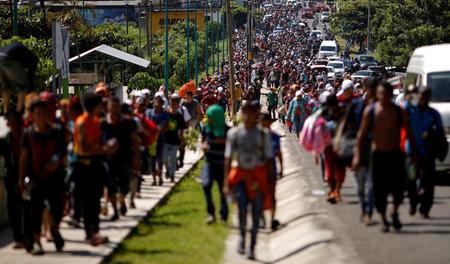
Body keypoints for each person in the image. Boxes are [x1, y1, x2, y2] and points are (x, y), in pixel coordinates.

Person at [353, 82, 417, 232]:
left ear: (390, 95)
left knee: (399, 189)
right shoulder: (370, 111)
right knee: (378, 190)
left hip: (395, 155)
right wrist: (357, 156)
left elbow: (410, 134)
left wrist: (414, 155)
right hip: (377, 156)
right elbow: (361, 136)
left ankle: (394, 211)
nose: (382, 96)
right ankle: (383, 218)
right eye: (380, 93)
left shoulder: (400, 112)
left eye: (385, 94)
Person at [223, 101, 274, 260]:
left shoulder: (263, 134)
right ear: (241, 113)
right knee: (243, 211)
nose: (247, 116)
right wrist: (226, 182)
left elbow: (268, 160)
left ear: (255, 115)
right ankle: (242, 238)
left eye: (250, 112)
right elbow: (228, 159)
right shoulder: (234, 134)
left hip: (258, 176)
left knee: (256, 213)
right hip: (241, 176)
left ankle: (252, 246)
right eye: (244, 112)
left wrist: (271, 183)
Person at [18, 100, 66, 254]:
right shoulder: (28, 134)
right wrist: (21, 179)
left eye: (44, 113)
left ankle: (55, 228)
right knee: (35, 210)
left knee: (57, 208)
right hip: (35, 177)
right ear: (32, 115)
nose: (41, 116)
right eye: (37, 113)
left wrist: (56, 164)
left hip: (54, 177)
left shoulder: (56, 132)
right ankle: (37, 242)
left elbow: (64, 154)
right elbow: (24, 158)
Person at [72, 93, 117, 245]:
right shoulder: (81, 122)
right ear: (93, 106)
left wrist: (107, 148)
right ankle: (88, 234)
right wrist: (105, 150)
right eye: (100, 105)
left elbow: (97, 144)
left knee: (95, 201)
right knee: (86, 202)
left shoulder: (97, 121)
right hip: (82, 166)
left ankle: (95, 232)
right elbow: (84, 147)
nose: (102, 108)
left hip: (96, 164)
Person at [334, 79, 377, 224]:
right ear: (365, 90)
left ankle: (369, 213)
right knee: (359, 184)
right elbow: (344, 123)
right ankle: (364, 209)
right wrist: (339, 141)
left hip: (375, 148)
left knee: (372, 184)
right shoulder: (356, 104)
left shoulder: (382, 107)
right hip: (357, 147)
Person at [404, 86, 444, 219]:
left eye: (427, 95)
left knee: (428, 183)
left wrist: (431, 133)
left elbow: (440, 132)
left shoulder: (433, 114)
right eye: (422, 95)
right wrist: (407, 101)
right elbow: (401, 114)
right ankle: (413, 202)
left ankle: (425, 209)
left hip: (427, 153)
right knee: (410, 180)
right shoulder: (410, 109)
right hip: (411, 152)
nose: (424, 98)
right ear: (418, 96)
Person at [102, 96, 139, 220]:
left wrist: (137, 159)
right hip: (109, 159)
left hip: (125, 158)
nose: (114, 109)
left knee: (124, 187)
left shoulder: (128, 122)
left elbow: (135, 141)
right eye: (112, 106)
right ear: (108, 107)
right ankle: (115, 211)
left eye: (116, 106)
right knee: (111, 186)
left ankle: (122, 201)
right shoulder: (103, 123)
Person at [0, 111, 25, 249]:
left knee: (27, 207)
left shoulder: (26, 137)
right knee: (13, 208)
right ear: (9, 124)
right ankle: (18, 238)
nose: (15, 126)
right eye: (12, 123)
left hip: (26, 176)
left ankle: (28, 236)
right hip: (10, 177)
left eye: (18, 123)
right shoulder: (5, 141)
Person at [201, 105, 229, 224]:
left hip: (223, 164)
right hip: (209, 162)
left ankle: (223, 215)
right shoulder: (207, 128)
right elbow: (202, 140)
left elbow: (233, 145)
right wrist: (203, 146)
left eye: (210, 117)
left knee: (223, 190)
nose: (208, 119)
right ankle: (210, 213)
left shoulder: (227, 131)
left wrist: (222, 141)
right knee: (206, 185)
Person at [259, 113, 283, 230]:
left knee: (272, 196)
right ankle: (262, 218)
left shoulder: (274, 136)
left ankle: (272, 218)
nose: (263, 124)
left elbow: (279, 153)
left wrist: (282, 168)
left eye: (266, 121)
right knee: (260, 196)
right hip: (258, 170)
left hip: (271, 170)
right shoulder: (256, 136)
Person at [0, 43, 38, 114]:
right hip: (8, 59)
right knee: (23, 86)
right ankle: (18, 112)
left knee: (6, 87)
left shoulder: (24, 53)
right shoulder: (32, 60)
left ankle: (6, 111)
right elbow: (30, 78)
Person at [147, 96, 170, 186]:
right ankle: (154, 178)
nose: (156, 106)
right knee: (152, 159)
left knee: (159, 157)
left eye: (158, 105)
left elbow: (167, 126)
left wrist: (159, 130)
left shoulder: (165, 114)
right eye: (155, 104)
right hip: (152, 139)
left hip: (160, 138)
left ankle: (160, 177)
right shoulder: (150, 113)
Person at [164, 94, 187, 182]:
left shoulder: (179, 117)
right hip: (166, 139)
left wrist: (182, 142)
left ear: (178, 104)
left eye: (176, 103)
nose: (174, 105)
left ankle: (172, 175)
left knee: (173, 157)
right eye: (172, 103)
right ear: (170, 103)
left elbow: (181, 130)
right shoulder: (166, 114)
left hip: (174, 140)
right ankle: (168, 169)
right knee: (165, 158)